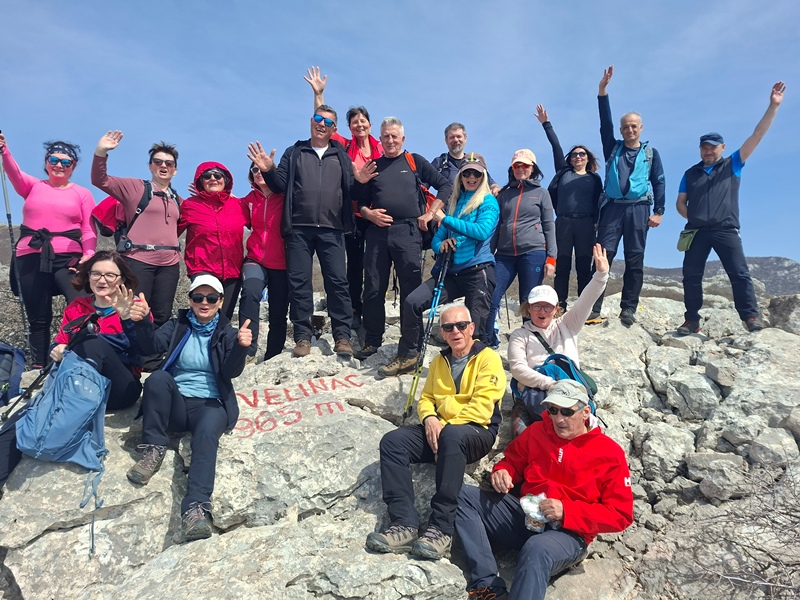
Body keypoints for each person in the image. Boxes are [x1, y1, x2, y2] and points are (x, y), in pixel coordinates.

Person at [455, 379, 634, 600]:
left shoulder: (610, 453)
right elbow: (511, 461)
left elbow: (620, 515)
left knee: (537, 549)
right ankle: (488, 588)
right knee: (461, 495)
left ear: (586, 412)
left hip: (569, 534)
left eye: (567, 412)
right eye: (553, 410)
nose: (558, 419)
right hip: (525, 516)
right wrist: (503, 472)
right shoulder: (538, 431)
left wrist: (567, 511)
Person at [366, 304, 505, 560]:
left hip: (477, 431)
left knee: (453, 437)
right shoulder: (439, 361)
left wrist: (445, 431)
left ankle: (442, 529)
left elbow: (483, 406)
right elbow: (427, 398)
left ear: (471, 328)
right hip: (442, 432)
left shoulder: (488, 358)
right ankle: (403, 524)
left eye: (461, 326)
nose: (455, 332)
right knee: (393, 441)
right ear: (442, 332)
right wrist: (429, 418)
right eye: (448, 327)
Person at [123, 274, 251, 544]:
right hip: (177, 404)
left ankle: (195, 509)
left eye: (211, 298)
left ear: (221, 302)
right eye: (198, 297)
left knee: (206, 438)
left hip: (211, 405)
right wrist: (142, 322)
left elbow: (230, 372)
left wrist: (241, 347)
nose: (205, 302)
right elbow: (151, 348)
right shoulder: (177, 326)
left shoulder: (227, 332)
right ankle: (153, 449)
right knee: (157, 378)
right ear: (190, 300)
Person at [0, 251, 143, 488]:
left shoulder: (133, 307)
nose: (102, 280)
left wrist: (129, 320)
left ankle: (62, 426)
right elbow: (59, 343)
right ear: (88, 277)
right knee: (28, 413)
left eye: (110, 275)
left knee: (91, 342)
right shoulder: (78, 307)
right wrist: (57, 349)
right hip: (76, 387)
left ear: (122, 279)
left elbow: (145, 350)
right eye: (96, 274)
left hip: (119, 388)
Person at [676, 82, 786, 336]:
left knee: (739, 274)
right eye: (704, 147)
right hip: (696, 231)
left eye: (713, 147)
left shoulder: (732, 164)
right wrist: (692, 216)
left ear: (722, 148)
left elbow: (757, 135)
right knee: (691, 276)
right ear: (700, 149)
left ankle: (750, 317)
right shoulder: (690, 173)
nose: (708, 151)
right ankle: (691, 321)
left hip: (726, 229)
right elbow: (680, 202)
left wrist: (773, 105)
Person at [378, 153, 499, 378]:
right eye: (466, 173)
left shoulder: (488, 201)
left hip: (478, 271)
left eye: (476, 173)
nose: (471, 177)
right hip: (450, 271)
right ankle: (409, 355)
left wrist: (445, 219)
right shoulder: (455, 202)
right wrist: (440, 244)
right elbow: (437, 238)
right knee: (413, 302)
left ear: (483, 176)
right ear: (460, 176)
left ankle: (475, 374)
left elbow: (482, 231)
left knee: (475, 328)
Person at [258, 105, 361, 359]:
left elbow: (351, 189)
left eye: (328, 122)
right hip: (298, 229)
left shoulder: (341, 155)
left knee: (337, 282)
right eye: (317, 118)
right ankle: (302, 336)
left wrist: (362, 181)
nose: (321, 124)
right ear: (311, 121)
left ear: (334, 129)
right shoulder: (294, 152)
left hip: (332, 228)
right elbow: (279, 185)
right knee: (300, 284)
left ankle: (342, 336)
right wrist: (268, 170)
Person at [353, 116, 452, 360]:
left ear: (403, 138)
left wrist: (430, 213)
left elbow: (445, 186)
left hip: (408, 232)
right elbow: (360, 202)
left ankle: (412, 344)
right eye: (385, 136)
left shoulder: (414, 161)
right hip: (377, 231)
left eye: (394, 136)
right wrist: (369, 214)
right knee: (373, 288)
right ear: (380, 138)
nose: (390, 140)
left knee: (411, 290)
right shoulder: (373, 166)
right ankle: (372, 341)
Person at [0, 133, 96, 368]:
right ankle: (39, 366)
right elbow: (13, 172)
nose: (59, 165)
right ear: (46, 162)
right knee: (38, 317)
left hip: (69, 258)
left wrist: (89, 255)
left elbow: (88, 228)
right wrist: (4, 149)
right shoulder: (33, 186)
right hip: (30, 256)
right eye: (54, 160)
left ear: (73, 166)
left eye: (65, 162)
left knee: (82, 304)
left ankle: (76, 358)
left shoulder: (82, 193)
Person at [305, 66, 384, 325]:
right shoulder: (344, 145)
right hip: (351, 214)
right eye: (354, 122)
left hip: (377, 214)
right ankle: (353, 308)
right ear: (349, 127)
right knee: (354, 263)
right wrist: (319, 94)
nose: (359, 125)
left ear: (370, 124)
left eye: (363, 121)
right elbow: (323, 123)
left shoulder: (381, 148)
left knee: (374, 264)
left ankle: (373, 307)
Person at [507, 244, 609, 437]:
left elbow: (586, 300)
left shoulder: (567, 325)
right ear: (528, 308)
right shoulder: (520, 335)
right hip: (537, 393)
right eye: (536, 306)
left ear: (556, 309)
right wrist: (549, 384)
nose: (542, 311)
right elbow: (518, 369)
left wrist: (601, 275)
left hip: (570, 393)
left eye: (547, 307)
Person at [592, 65, 665, 326]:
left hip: (639, 209)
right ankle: (593, 307)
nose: (629, 130)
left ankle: (629, 308)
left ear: (641, 128)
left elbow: (659, 181)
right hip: (612, 208)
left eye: (633, 126)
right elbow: (605, 123)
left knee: (635, 259)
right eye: (625, 127)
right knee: (603, 257)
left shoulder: (650, 154)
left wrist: (659, 211)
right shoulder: (613, 148)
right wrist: (603, 90)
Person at [91, 131, 182, 327]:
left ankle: (154, 348)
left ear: (175, 170)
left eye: (169, 163)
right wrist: (101, 152)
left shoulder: (178, 200)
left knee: (162, 316)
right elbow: (100, 180)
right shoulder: (135, 188)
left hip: (170, 265)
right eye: (158, 162)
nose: (163, 166)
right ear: (150, 166)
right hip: (138, 260)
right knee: (134, 313)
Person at [535, 106, 603, 320]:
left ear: (588, 158)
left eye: (582, 154)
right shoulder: (563, 173)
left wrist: (597, 222)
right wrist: (546, 124)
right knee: (562, 265)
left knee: (584, 267)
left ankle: (584, 307)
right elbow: (556, 146)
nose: (578, 157)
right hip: (563, 223)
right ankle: (560, 304)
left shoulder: (594, 179)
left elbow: (598, 202)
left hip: (586, 224)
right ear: (570, 158)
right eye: (574, 154)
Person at [486, 149, 556, 348]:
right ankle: (487, 340)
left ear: (532, 168)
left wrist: (552, 258)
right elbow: (497, 227)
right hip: (504, 255)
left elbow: (549, 225)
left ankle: (530, 345)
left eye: (525, 165)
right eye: (516, 165)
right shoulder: (504, 194)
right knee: (491, 296)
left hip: (533, 252)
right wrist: (488, 254)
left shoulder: (542, 193)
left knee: (529, 301)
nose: (520, 168)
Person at [178, 162, 250, 321]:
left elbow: (260, 225)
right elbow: (170, 232)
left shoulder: (239, 205)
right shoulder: (190, 205)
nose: (213, 179)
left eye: (218, 176)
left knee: (224, 319)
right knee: (204, 318)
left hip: (232, 272)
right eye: (207, 176)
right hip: (203, 269)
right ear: (200, 181)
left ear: (226, 180)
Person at [239, 147, 289, 361]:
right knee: (250, 292)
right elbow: (228, 213)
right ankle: (247, 349)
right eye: (254, 169)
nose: (258, 172)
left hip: (282, 262)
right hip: (255, 258)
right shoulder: (248, 200)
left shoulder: (285, 197)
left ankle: (273, 355)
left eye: (262, 168)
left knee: (278, 310)